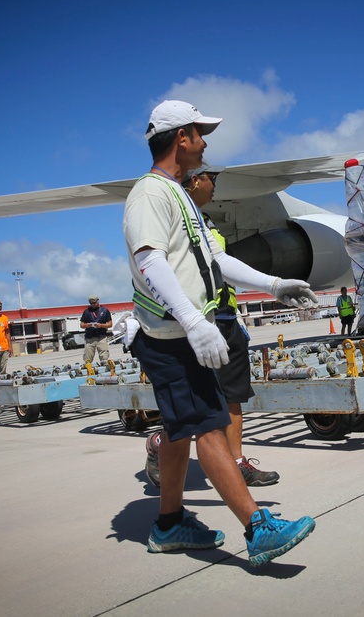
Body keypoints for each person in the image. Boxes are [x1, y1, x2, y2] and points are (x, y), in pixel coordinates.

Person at [124, 99, 316, 566]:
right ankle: (257, 529)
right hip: (171, 339)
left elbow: (216, 260)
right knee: (210, 425)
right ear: (182, 139)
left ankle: (169, 524)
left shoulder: (179, 196)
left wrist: (274, 284)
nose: (206, 142)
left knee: (181, 428)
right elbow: (150, 261)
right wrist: (193, 322)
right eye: (200, 132)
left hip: (183, 334)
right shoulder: (150, 194)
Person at [145, 166, 279, 488]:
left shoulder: (207, 226)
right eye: (211, 179)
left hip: (227, 321)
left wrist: (271, 287)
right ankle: (158, 446)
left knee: (233, 398)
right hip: (195, 325)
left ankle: (236, 464)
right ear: (194, 181)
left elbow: (221, 268)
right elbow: (156, 271)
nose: (216, 186)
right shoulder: (170, 223)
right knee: (195, 408)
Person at [80, 295, 113, 365]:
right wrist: (87, 325)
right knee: (88, 357)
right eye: (91, 303)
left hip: (101, 337)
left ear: (98, 300)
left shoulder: (105, 311)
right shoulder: (87, 311)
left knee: (104, 356)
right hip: (90, 338)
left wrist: (101, 325)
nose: (93, 305)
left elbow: (110, 324)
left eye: (94, 303)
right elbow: (82, 325)